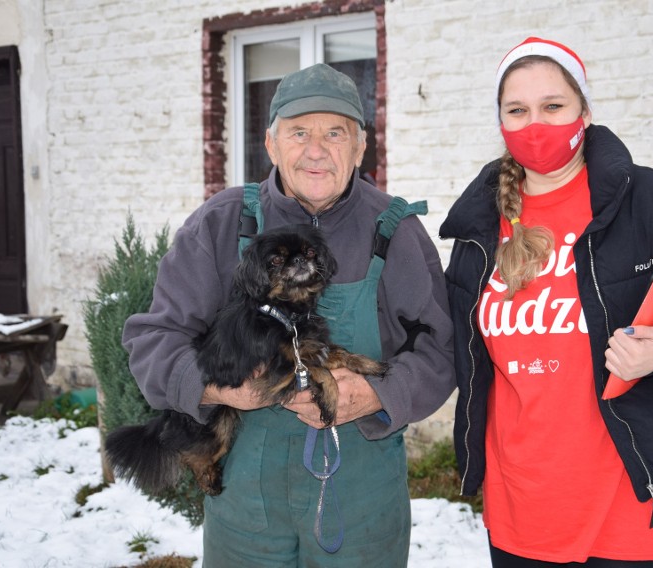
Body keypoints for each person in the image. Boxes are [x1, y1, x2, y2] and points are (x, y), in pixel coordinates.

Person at [440, 37, 653, 567]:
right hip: (518, 501)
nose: (535, 125)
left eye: (553, 107)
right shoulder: (479, 226)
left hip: (625, 503)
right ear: (499, 122)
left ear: (585, 111)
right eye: (516, 111)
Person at [123, 63, 455, 567]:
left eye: (334, 133)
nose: (316, 149)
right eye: (299, 132)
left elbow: (442, 348)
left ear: (361, 148)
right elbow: (154, 338)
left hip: (361, 498)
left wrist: (377, 393)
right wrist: (215, 387)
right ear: (271, 144)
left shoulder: (396, 230)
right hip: (246, 502)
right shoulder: (221, 222)